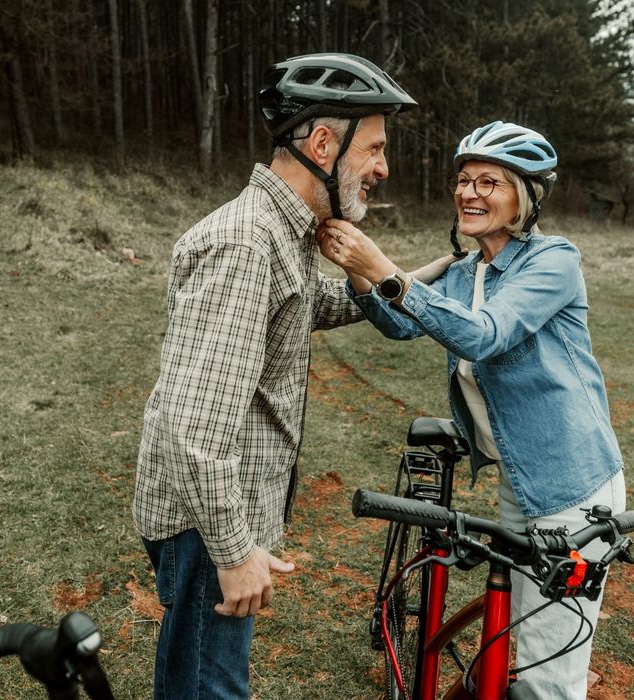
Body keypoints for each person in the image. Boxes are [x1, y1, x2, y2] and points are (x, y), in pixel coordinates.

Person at [131, 53, 420, 699]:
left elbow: (309, 304)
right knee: (209, 690)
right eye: (373, 148)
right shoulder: (246, 243)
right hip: (207, 526)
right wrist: (234, 554)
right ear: (323, 142)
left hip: (218, 516)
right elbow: (196, 429)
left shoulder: (286, 233)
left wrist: (412, 279)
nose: (383, 168)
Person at [317, 121, 626, 700]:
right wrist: (355, 266)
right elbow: (396, 320)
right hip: (522, 482)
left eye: (490, 182)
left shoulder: (553, 261)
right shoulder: (463, 272)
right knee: (516, 638)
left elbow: (485, 335)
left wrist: (384, 267)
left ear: (524, 200)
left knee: (547, 674)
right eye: (463, 180)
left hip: (572, 484)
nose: (470, 193)